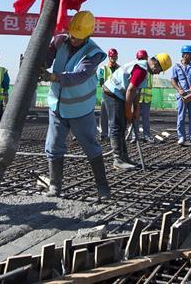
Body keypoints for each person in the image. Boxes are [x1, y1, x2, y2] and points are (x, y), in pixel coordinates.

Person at [40, 10, 112, 196]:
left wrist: (53, 77)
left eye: (79, 37)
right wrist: (40, 60)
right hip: (56, 106)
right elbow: (47, 59)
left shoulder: (94, 53)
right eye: (72, 35)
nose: (73, 40)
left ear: (88, 35)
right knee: (53, 145)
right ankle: (55, 185)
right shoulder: (59, 41)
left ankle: (102, 186)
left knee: (90, 145)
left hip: (80, 110)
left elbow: (79, 75)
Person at [103, 45, 172, 168]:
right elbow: (130, 91)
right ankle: (117, 160)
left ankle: (124, 158)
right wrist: (128, 111)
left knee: (122, 125)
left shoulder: (144, 69)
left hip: (119, 94)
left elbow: (136, 92)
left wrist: (136, 111)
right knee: (117, 125)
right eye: (159, 70)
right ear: (156, 65)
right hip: (112, 93)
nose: (158, 73)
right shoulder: (141, 69)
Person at [170, 45, 191, 145]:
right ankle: (181, 137)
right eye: (189, 54)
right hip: (182, 96)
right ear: (184, 55)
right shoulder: (176, 66)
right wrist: (179, 90)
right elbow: (173, 80)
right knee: (181, 117)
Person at [96, 48, 121, 141]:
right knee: (104, 116)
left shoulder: (120, 68)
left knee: (113, 116)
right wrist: (107, 90)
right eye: (112, 57)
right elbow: (101, 81)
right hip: (106, 94)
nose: (113, 59)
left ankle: (112, 135)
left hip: (116, 95)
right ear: (109, 57)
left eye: (115, 57)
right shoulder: (103, 68)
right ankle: (103, 134)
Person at [130, 51, 154, 143]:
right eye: (140, 59)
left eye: (143, 58)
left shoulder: (149, 70)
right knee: (134, 118)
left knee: (146, 119)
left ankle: (146, 136)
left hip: (146, 98)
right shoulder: (135, 68)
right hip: (137, 98)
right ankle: (134, 137)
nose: (142, 60)